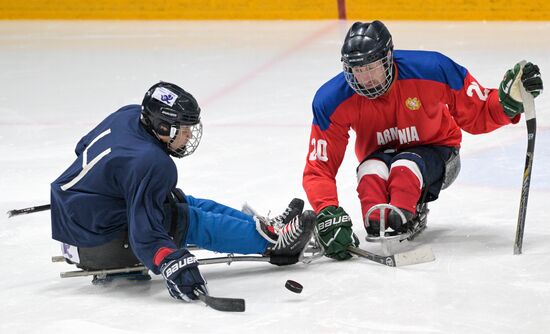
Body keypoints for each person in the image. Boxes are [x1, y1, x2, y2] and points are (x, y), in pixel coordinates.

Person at [50, 81, 315, 301]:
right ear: (163, 127)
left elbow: (82, 147)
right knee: (184, 220)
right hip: (97, 243)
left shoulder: (129, 115)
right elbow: (146, 234)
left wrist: (102, 194)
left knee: (179, 202)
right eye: (184, 129)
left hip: (77, 217)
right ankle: (276, 247)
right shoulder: (152, 162)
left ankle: (267, 230)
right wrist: (169, 261)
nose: (189, 136)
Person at [303, 21, 543, 260]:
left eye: (372, 67)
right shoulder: (331, 100)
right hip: (379, 157)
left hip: (439, 153)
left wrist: (506, 104)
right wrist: (327, 212)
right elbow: (319, 168)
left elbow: (478, 112)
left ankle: (403, 211)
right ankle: (380, 222)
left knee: (405, 167)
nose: (365, 78)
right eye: (358, 70)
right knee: (369, 172)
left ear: (388, 58)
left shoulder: (433, 69)